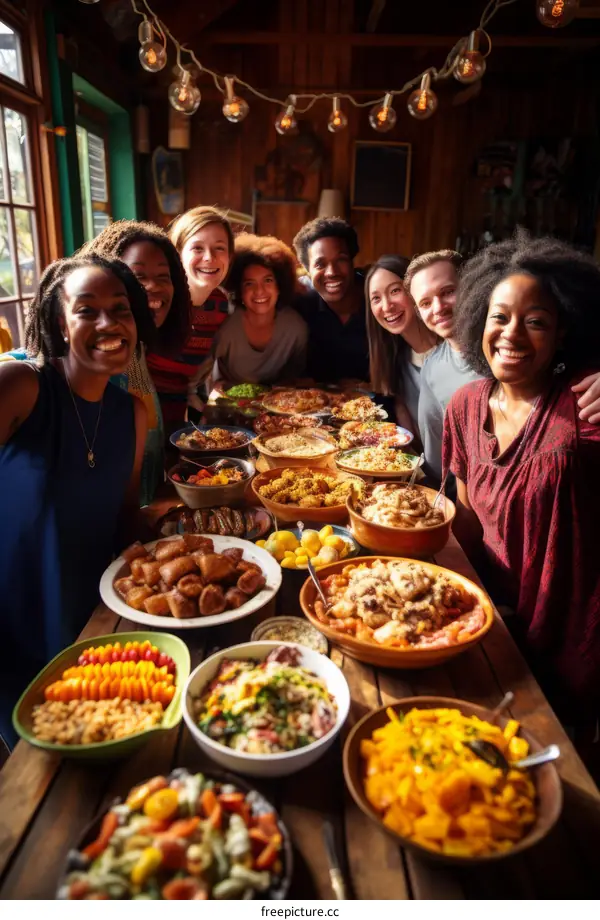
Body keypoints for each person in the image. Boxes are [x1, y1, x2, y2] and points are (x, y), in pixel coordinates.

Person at [442, 231, 600, 746]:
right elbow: (467, 518)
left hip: (570, 638)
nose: (512, 334)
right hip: (491, 625)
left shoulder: (586, 409)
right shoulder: (465, 405)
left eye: (536, 322)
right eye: (500, 316)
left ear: (562, 335)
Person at [0, 254, 151, 745]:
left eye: (121, 308)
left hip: (93, 628)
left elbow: (123, 520)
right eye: (86, 310)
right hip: (15, 621)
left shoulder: (133, 412)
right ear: (59, 325)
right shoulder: (21, 387)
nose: (108, 323)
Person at [407, 248, 600, 484]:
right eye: (425, 302)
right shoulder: (440, 376)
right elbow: (441, 463)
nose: (438, 307)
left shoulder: (553, 366)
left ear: (475, 289)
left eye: (447, 292)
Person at [80, 220, 191, 504]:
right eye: (137, 276)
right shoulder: (84, 363)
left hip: (141, 520)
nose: (153, 287)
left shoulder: (138, 351)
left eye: (163, 277)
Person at [163, 206, 234, 423]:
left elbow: (197, 372)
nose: (209, 257)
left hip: (185, 411)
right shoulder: (162, 300)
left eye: (219, 248)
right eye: (197, 248)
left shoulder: (220, 304)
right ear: (178, 253)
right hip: (145, 409)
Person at [214, 233, 308, 386]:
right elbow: (203, 379)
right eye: (249, 283)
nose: (260, 291)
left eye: (268, 280)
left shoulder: (296, 328)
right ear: (239, 289)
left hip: (278, 404)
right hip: (229, 403)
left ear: (280, 285)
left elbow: (294, 380)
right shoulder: (226, 327)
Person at [365, 255, 438, 438]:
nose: (387, 306)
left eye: (395, 290)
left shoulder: (452, 351)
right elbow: (410, 438)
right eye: (376, 298)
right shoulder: (397, 360)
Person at [292, 217, 369, 383]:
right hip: (317, 404)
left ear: (352, 261)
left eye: (341, 260)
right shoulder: (301, 302)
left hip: (377, 403)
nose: (332, 272)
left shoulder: (377, 300)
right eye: (320, 264)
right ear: (307, 270)